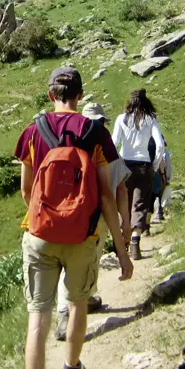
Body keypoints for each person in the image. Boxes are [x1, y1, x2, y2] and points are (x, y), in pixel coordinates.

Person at [15, 67, 133, 369]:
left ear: (51, 95)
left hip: (40, 235)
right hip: (84, 235)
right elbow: (107, 197)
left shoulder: (32, 131)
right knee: (79, 302)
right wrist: (122, 253)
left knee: (38, 317)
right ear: (80, 96)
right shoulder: (96, 133)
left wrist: (50, 214)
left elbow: (26, 191)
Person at [53, 102, 132, 341]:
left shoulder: (65, 145)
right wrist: (125, 223)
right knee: (89, 259)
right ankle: (70, 310)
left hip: (63, 213)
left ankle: (73, 307)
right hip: (95, 217)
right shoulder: (106, 148)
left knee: (66, 261)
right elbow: (119, 189)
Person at [111, 89, 164, 261]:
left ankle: (122, 242)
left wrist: (117, 164)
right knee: (140, 204)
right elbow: (160, 145)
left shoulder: (121, 119)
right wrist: (155, 165)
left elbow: (113, 143)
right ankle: (135, 243)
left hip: (125, 164)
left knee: (123, 205)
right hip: (144, 165)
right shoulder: (150, 119)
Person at [152, 138, 172, 222]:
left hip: (152, 174)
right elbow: (168, 166)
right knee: (160, 194)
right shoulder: (165, 153)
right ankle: (159, 212)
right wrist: (167, 178)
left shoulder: (149, 151)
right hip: (161, 175)